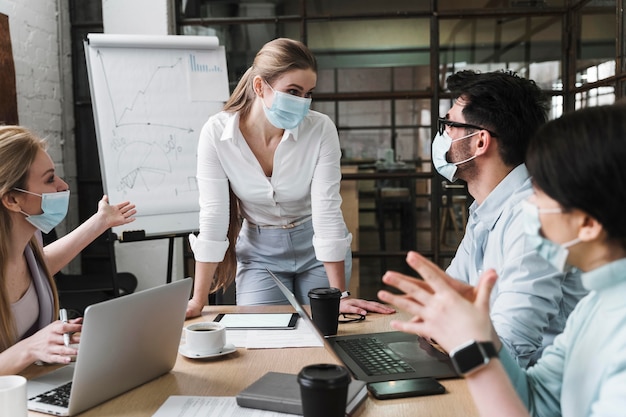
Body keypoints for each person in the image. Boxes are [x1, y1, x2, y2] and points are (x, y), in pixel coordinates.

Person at [379, 104, 626, 416]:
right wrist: (484, 337)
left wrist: (472, 346)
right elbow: (536, 400)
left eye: (541, 191)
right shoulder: (596, 305)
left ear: (588, 224)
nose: (529, 204)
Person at [186, 38, 394, 318]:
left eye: (308, 93)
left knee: (325, 336)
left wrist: (339, 296)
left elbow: (328, 211)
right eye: (293, 91)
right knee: (261, 340)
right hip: (260, 255)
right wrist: (198, 301)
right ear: (260, 87)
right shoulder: (217, 133)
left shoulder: (320, 130)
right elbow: (213, 217)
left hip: (316, 249)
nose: (303, 103)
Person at [424, 70, 587, 366]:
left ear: (480, 141)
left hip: (536, 394)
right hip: (492, 372)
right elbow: (448, 297)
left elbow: (510, 349)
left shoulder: (534, 219)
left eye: (449, 124)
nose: (443, 134)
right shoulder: (487, 209)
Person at [0, 125, 136, 375]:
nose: (63, 186)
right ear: (12, 200)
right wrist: (31, 348)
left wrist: (101, 221)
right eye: (50, 179)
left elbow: (42, 266)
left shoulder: (29, 247)